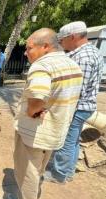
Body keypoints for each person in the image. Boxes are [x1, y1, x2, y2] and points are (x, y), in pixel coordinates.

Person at [8, 28, 83, 199]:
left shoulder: (42, 66)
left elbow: (37, 98)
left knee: (28, 170)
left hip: (35, 131)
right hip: (56, 129)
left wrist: (31, 110)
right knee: (39, 167)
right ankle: (31, 196)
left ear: (46, 46)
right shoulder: (72, 65)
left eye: (29, 48)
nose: (25, 53)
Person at [44, 22, 104, 184]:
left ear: (73, 37)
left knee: (65, 140)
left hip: (76, 107)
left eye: (62, 40)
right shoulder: (88, 52)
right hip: (83, 106)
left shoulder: (84, 57)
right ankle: (68, 171)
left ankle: (59, 174)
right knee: (73, 139)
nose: (61, 44)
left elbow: (76, 89)